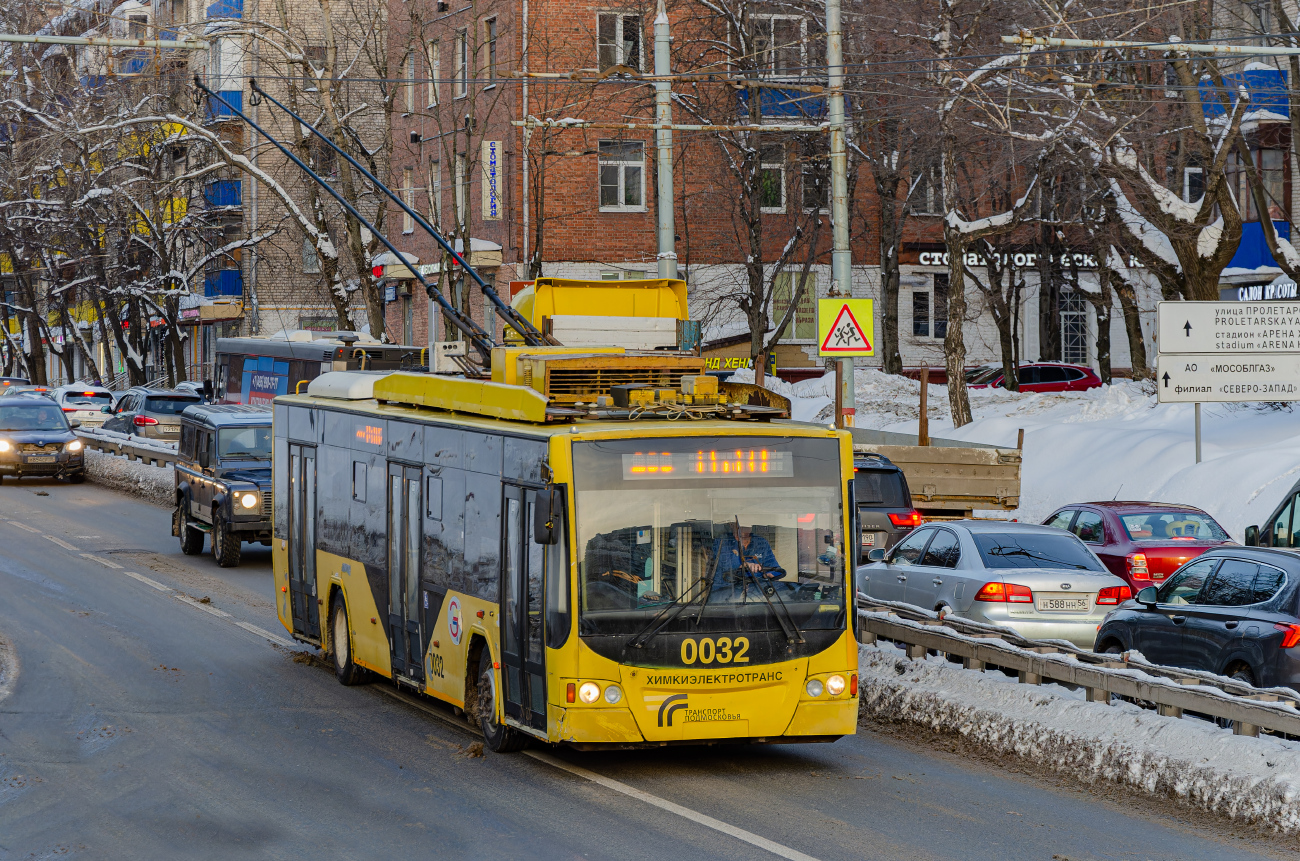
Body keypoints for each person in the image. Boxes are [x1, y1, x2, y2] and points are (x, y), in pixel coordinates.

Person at [711, 524, 784, 589]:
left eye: (747, 523)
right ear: (731, 524)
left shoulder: (761, 543)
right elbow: (726, 563)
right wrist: (745, 564)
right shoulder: (721, 541)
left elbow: (776, 568)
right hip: (725, 593)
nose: (744, 527)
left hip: (756, 594)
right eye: (740, 523)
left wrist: (770, 574)